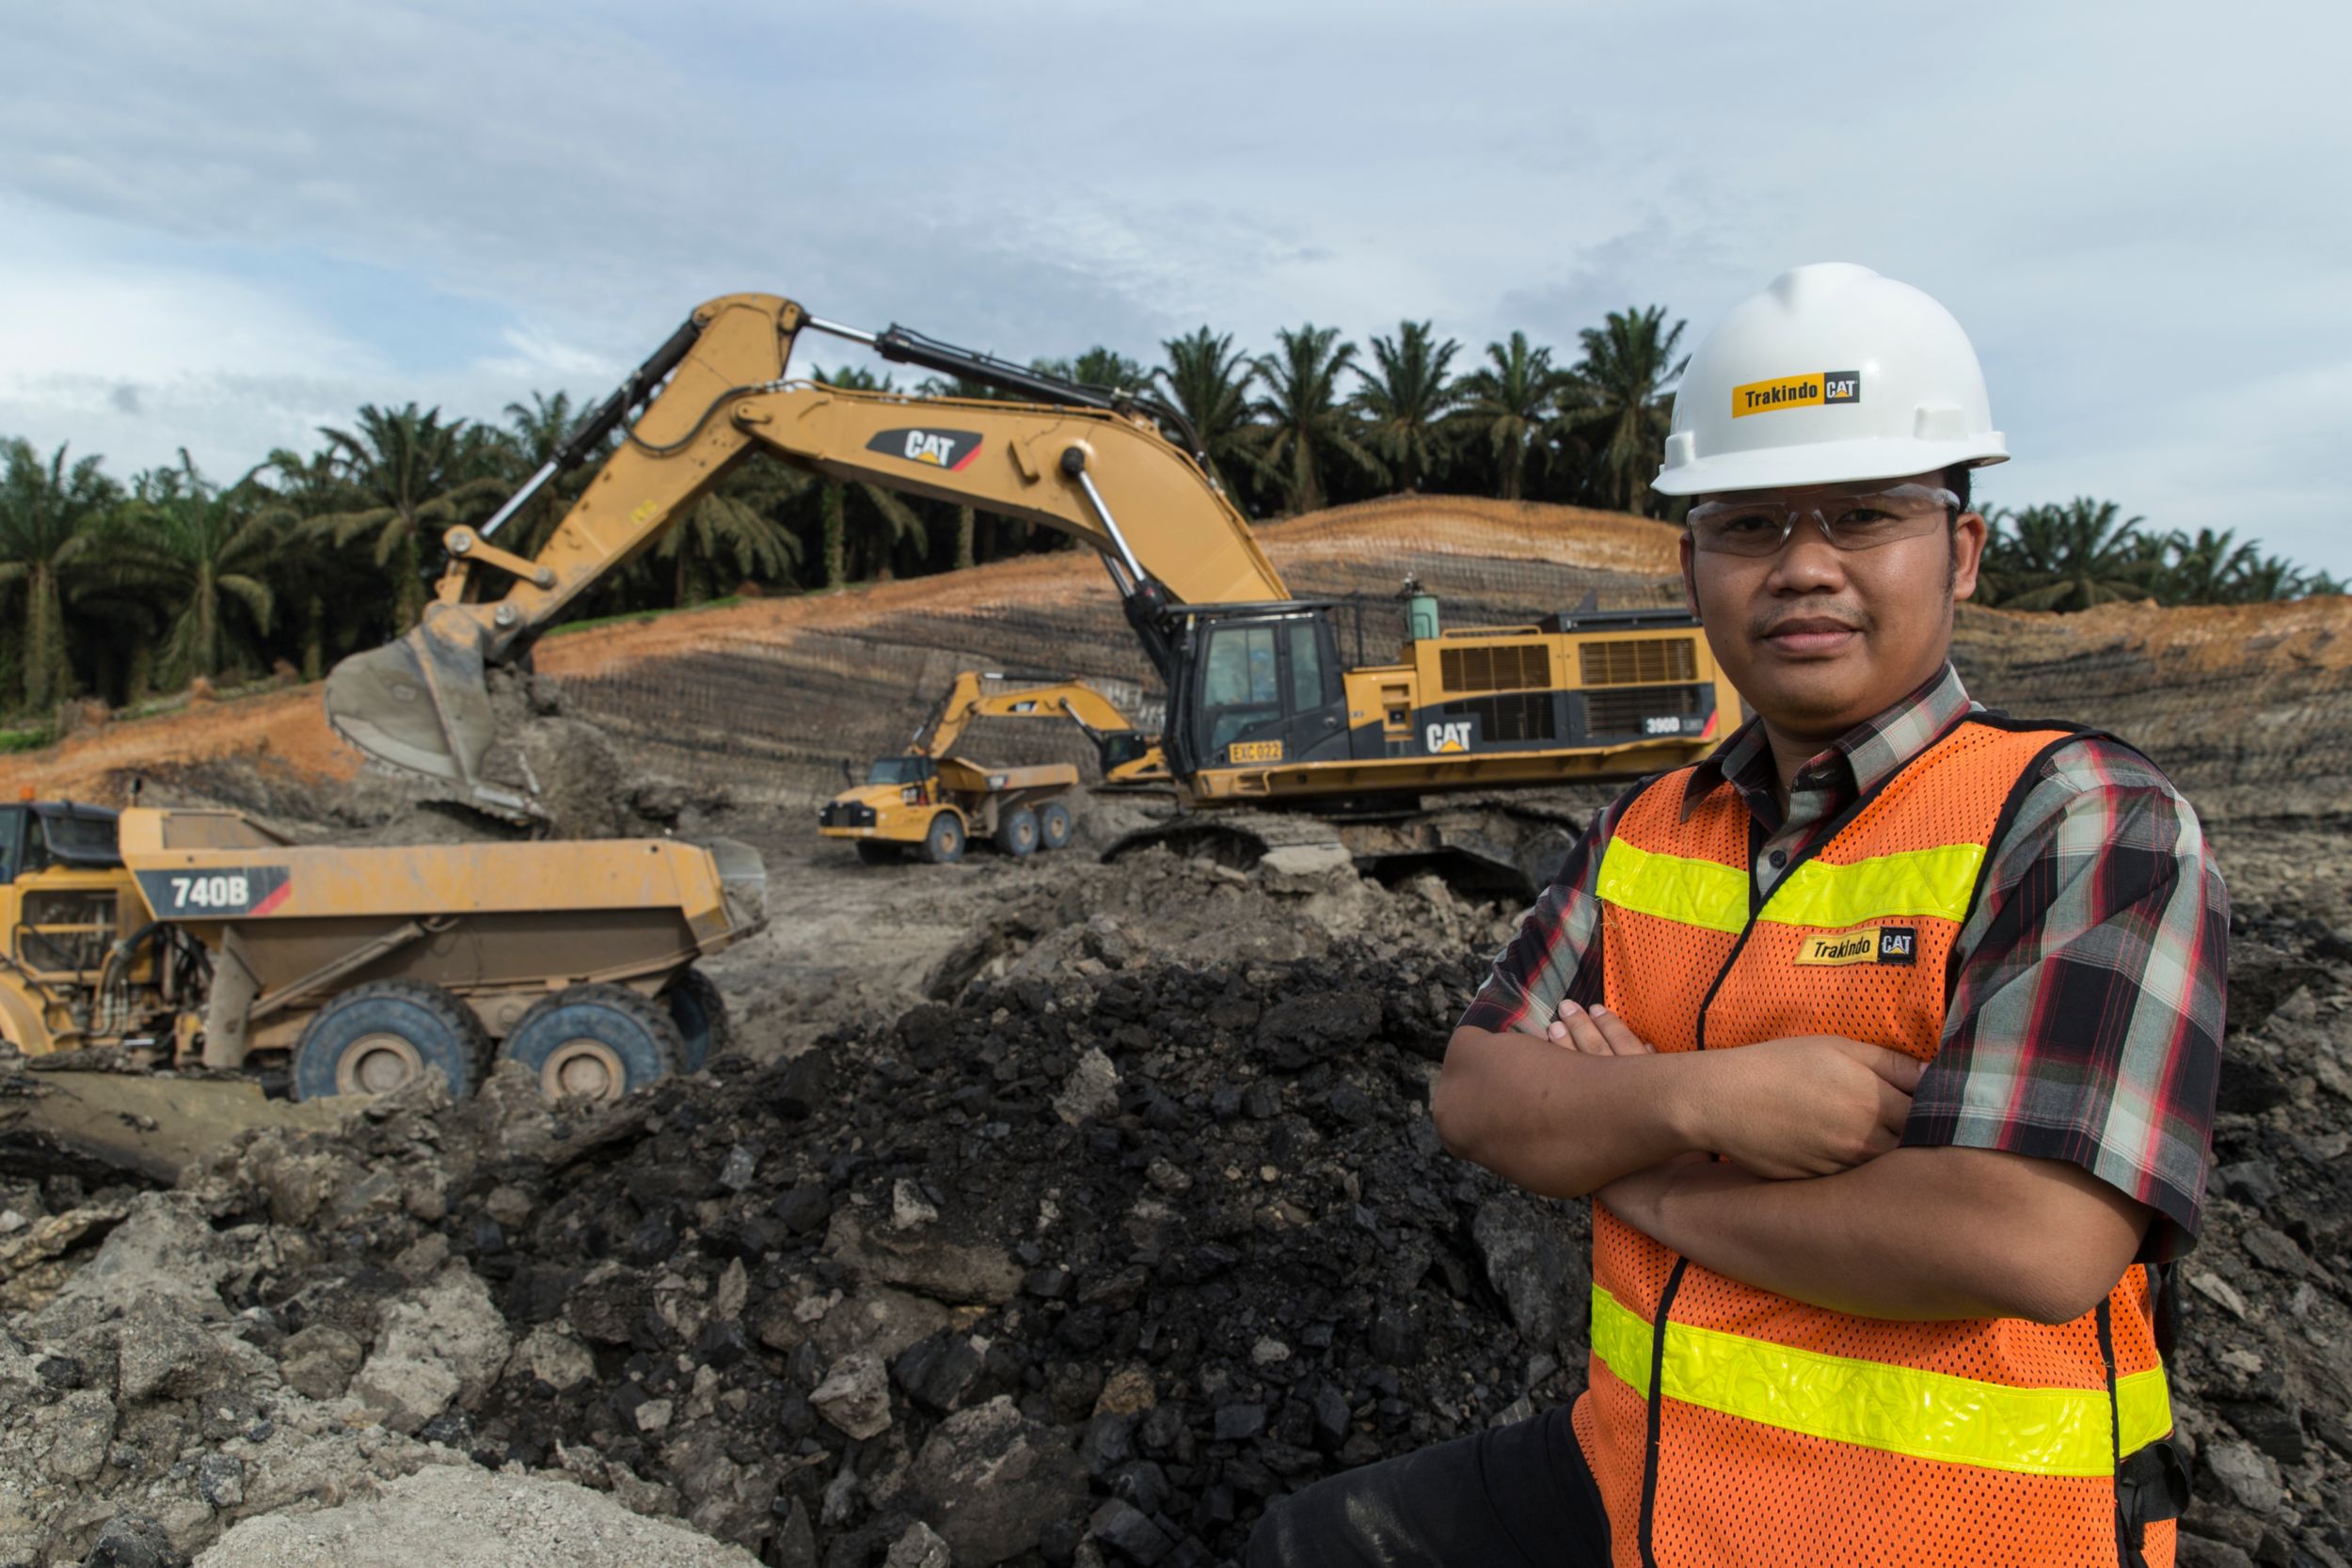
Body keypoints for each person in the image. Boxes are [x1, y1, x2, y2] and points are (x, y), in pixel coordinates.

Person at [1244, 262, 2224, 1568]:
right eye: (1752, 524)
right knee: (1308, 1546)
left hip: (1954, 1531)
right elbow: (1479, 1095)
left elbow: (2031, 1237)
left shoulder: (2081, 819)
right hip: (1647, 1481)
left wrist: (1639, 1171)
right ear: (1691, 560)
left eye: (1865, 516)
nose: (1804, 567)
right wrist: (1710, 1103)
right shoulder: (1651, 828)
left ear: (1964, 551)